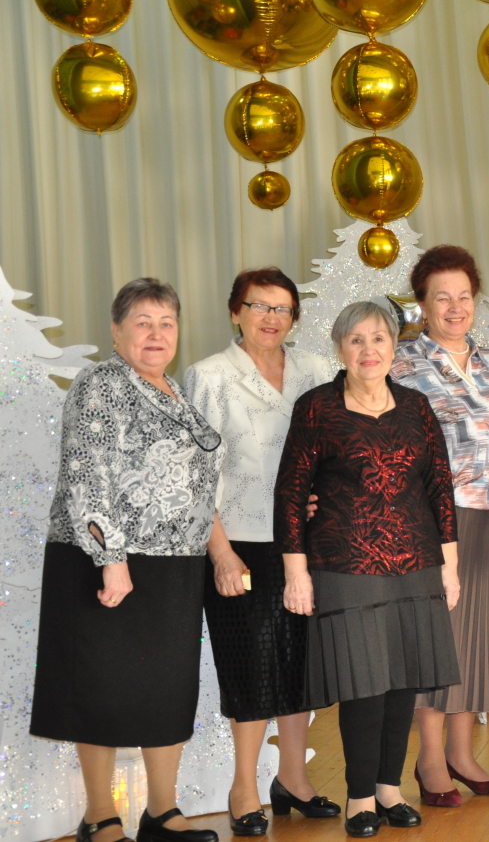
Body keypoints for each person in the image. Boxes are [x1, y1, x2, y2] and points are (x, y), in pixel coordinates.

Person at [31, 279, 223, 842]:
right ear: (116, 332)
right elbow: (87, 475)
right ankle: (100, 816)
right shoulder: (102, 384)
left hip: (173, 566)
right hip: (107, 561)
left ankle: (161, 814)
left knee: (166, 690)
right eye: (143, 322)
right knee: (102, 688)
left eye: (167, 323)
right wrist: (111, 558)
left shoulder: (174, 392)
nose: (156, 334)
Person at [274, 301, 461, 838]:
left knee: (403, 683)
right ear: (340, 348)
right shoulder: (316, 407)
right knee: (365, 685)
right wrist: (295, 573)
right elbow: (290, 493)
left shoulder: (416, 407)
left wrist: (450, 568)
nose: (368, 349)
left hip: (416, 563)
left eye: (378, 338)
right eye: (355, 340)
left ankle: (388, 790)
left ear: (393, 346)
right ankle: (359, 797)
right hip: (344, 564)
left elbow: (440, 489)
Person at [184, 267, 339, 834]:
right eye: (259, 306)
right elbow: (195, 474)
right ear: (235, 311)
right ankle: (243, 787)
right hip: (238, 541)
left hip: (306, 543)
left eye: (282, 308)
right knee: (250, 665)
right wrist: (220, 553)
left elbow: (337, 448)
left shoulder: (317, 371)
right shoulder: (209, 377)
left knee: (302, 662)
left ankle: (293, 778)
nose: (271, 318)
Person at [390, 246, 489, 806]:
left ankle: (462, 755)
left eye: (464, 296)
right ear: (422, 303)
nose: (455, 307)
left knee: (478, 639)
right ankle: (429, 761)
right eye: (442, 297)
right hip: (434, 520)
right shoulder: (402, 363)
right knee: (439, 640)